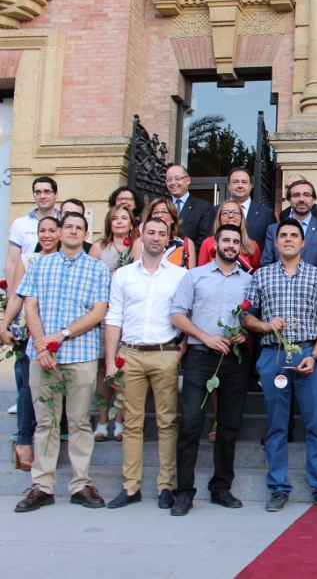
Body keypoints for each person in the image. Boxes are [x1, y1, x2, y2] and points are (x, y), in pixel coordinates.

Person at [242, 218, 317, 512]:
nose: (288, 239)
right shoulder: (261, 276)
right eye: (283, 235)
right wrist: (263, 325)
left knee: (315, 425)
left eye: (293, 235)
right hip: (273, 356)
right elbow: (245, 316)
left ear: (303, 243)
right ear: (276, 243)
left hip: (308, 354)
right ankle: (277, 487)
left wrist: (315, 356)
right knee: (275, 425)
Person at [14, 211, 110, 512]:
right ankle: (42, 486)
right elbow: (30, 306)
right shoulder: (40, 265)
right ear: (59, 231)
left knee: (80, 421)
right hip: (42, 357)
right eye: (67, 226)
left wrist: (60, 335)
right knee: (46, 422)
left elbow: (98, 312)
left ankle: (80, 483)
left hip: (80, 356)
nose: (72, 231)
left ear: (85, 234)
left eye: (79, 227)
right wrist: (42, 344)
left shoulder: (97, 269)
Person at [169, 224, 254, 516]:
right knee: (191, 421)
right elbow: (177, 313)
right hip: (200, 356)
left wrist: (246, 334)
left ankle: (221, 487)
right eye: (225, 240)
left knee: (229, 425)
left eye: (235, 241)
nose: (230, 245)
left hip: (234, 358)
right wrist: (204, 336)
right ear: (215, 244)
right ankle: (183, 491)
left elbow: (254, 317)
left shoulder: (249, 281)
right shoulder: (194, 276)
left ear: (240, 247)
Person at [104, 217, 187, 510]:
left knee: (167, 422)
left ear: (168, 239)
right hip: (130, 354)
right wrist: (111, 362)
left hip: (165, 353)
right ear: (140, 234)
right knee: (131, 422)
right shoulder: (123, 275)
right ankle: (130, 487)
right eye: (150, 232)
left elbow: (186, 315)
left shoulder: (179, 276)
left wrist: (180, 351)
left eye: (161, 234)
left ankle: (165, 485)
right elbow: (113, 318)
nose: (155, 238)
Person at [1, 216, 61, 474]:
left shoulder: (67, 261)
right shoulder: (29, 260)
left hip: (58, 335)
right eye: (42, 231)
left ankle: (51, 442)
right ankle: (24, 440)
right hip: (30, 332)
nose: (46, 235)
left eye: (51, 230)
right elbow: (17, 295)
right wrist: (4, 325)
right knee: (29, 387)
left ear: (60, 232)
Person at [89, 204, 142, 442]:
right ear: (109, 223)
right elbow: (87, 281)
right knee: (104, 370)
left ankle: (119, 420)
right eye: (115, 218)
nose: (119, 222)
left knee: (124, 369)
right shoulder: (99, 247)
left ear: (132, 223)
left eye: (124, 218)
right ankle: (101, 421)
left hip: (127, 315)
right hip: (104, 314)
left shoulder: (136, 247)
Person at [260, 177, 317, 279]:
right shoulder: (273, 229)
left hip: (313, 288)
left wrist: (305, 283)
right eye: (296, 195)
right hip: (281, 290)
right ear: (289, 199)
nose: (301, 199)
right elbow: (267, 263)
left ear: (313, 199)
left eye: (306, 195)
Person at [5, 176, 59, 283]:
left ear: (56, 194)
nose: (42, 196)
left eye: (47, 192)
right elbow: (12, 262)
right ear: (34, 196)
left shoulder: (64, 222)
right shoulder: (20, 224)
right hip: (27, 286)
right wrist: (10, 294)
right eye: (38, 192)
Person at [216, 167, 275, 250]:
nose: (240, 185)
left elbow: (271, 247)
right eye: (235, 182)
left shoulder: (266, 214)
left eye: (244, 182)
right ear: (229, 186)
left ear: (250, 186)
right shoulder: (215, 211)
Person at [198, 199, 261, 273]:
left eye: (235, 212)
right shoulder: (208, 242)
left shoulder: (252, 245)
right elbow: (201, 272)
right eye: (225, 213)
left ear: (241, 217)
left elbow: (255, 275)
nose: (231, 215)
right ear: (219, 218)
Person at [165, 164, 214, 251]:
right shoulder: (162, 206)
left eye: (177, 178)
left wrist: (182, 254)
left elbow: (204, 239)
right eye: (169, 179)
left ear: (188, 180)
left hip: (190, 259)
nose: (173, 183)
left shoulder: (203, 207)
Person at [146, 197, 197, 269]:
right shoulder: (142, 242)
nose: (159, 215)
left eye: (164, 212)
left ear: (173, 218)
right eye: (155, 212)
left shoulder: (186, 243)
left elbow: (191, 275)